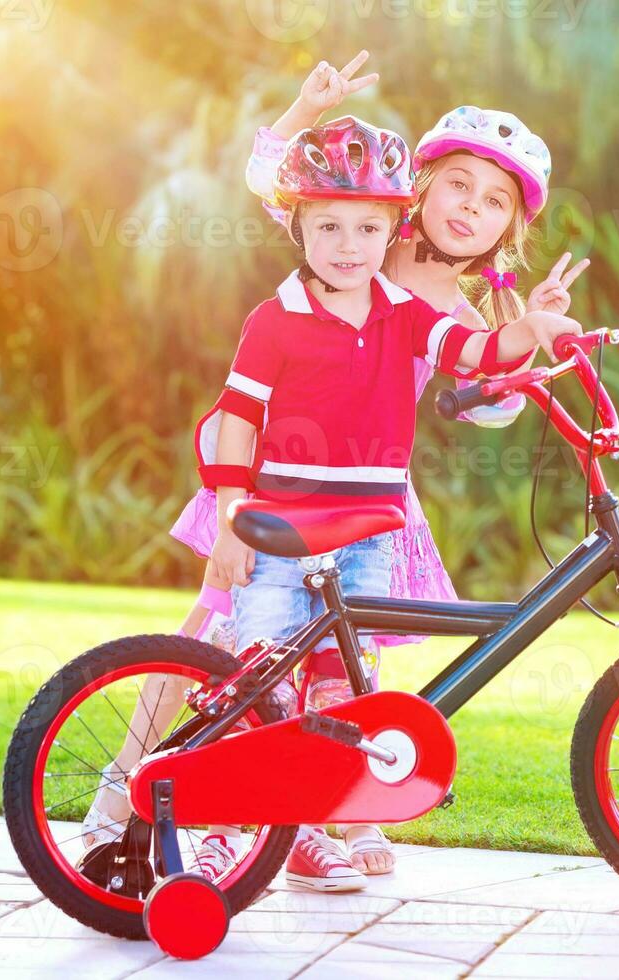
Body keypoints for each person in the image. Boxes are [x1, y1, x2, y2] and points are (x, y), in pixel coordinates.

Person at [194, 115, 581, 890]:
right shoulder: (343, 237)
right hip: (278, 491)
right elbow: (280, 183)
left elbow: (479, 374)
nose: (470, 208)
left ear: (509, 226)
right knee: (237, 659)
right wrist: (301, 112)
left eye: (494, 201)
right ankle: (172, 811)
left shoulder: (434, 310)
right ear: (420, 195)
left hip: (370, 505)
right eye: (458, 186)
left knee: (345, 673)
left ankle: (317, 819)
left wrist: (530, 328)